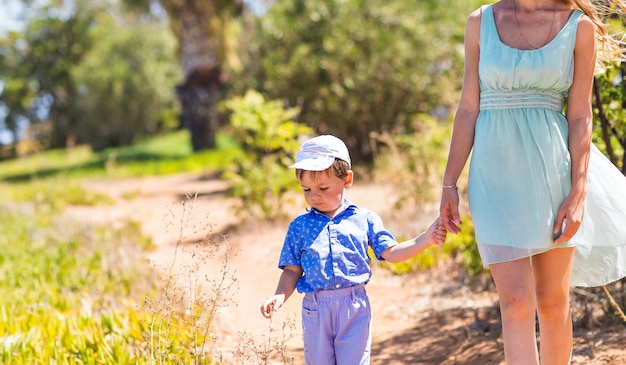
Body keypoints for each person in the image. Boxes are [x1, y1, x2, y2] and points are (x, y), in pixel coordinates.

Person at [439, 1, 626, 364]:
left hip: (553, 176)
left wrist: (578, 191)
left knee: (553, 302)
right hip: (494, 177)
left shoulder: (578, 27)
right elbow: (467, 108)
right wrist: (449, 184)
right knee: (515, 302)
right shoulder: (480, 22)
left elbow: (580, 115)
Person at [260, 134, 446, 365]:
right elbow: (292, 270)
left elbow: (393, 253)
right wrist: (279, 295)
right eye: (306, 189)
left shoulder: (364, 219)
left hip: (354, 306)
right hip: (316, 308)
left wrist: (425, 239)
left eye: (323, 187)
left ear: (347, 179)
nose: (314, 196)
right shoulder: (299, 226)